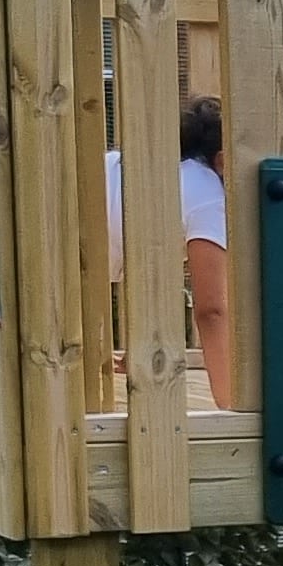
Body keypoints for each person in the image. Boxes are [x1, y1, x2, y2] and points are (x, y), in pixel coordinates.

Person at [109, 97, 239, 401]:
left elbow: (151, 266)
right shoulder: (210, 197)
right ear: (222, 161)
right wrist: (231, 407)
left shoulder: (162, 172)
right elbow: (212, 311)